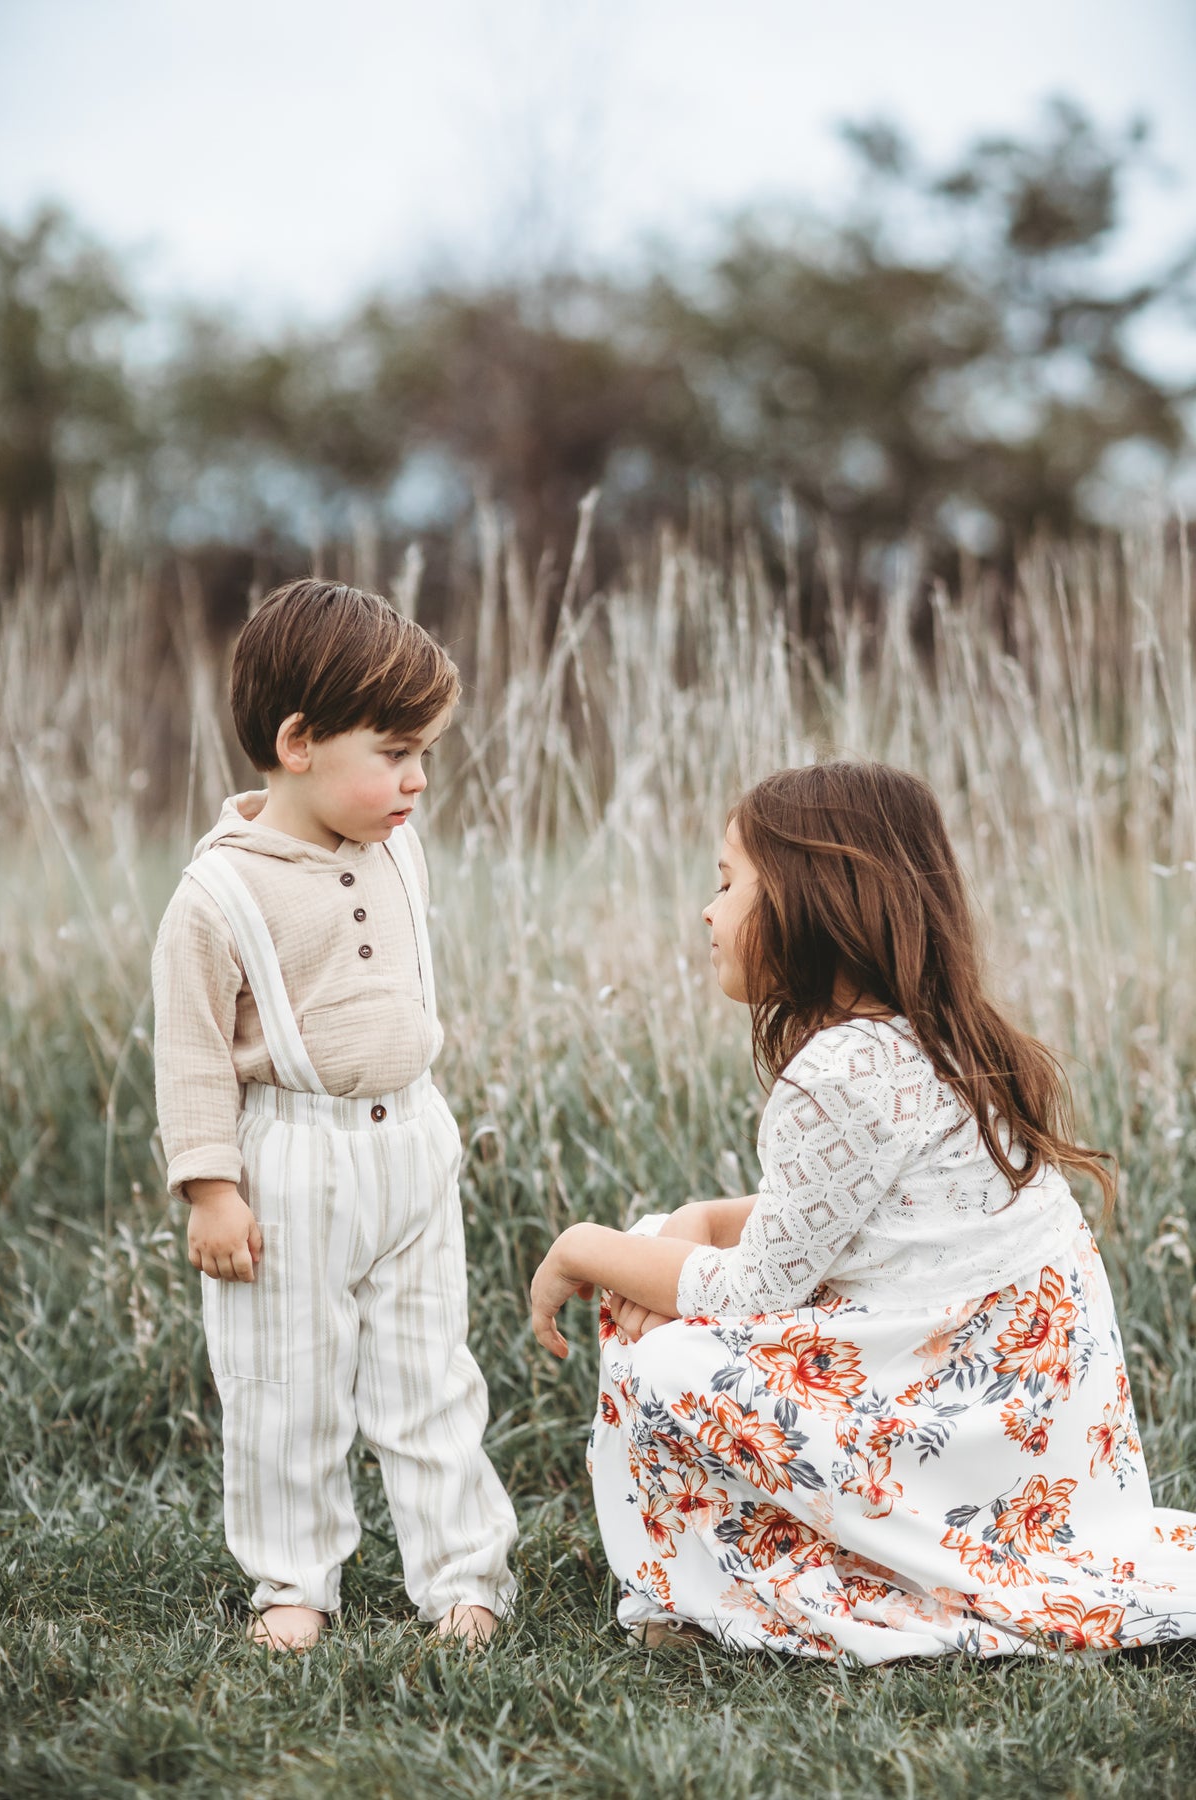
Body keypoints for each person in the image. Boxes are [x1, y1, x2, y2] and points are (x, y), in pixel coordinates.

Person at [530, 761, 1196, 1659]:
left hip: (970, 1409)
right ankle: (767, 1559)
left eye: (727, 884)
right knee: (653, 1250)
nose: (707, 912)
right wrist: (694, 1218)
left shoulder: (838, 1073)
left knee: (661, 1357)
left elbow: (752, 1292)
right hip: (1017, 1400)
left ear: (809, 900)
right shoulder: (934, 1034)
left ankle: (733, 1591)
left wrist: (579, 1246)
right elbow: (857, 1222)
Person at [153, 578, 517, 1652]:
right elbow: (190, 1052)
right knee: (284, 1384)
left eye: (425, 754)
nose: (417, 779)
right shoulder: (218, 895)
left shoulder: (396, 845)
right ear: (299, 742)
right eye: (395, 752)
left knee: (430, 1374)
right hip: (290, 1165)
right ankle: (293, 1584)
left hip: (412, 1146)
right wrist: (211, 1189)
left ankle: (463, 1577)